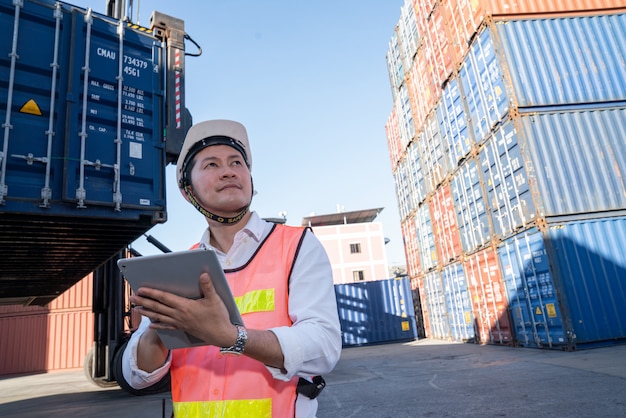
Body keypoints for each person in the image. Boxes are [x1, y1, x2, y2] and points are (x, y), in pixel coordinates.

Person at [121, 119, 342, 417]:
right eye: (211, 164)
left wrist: (231, 337)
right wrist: (159, 328)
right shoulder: (176, 270)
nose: (228, 170)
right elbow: (137, 375)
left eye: (236, 162)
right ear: (188, 192)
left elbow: (324, 346)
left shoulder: (297, 245)